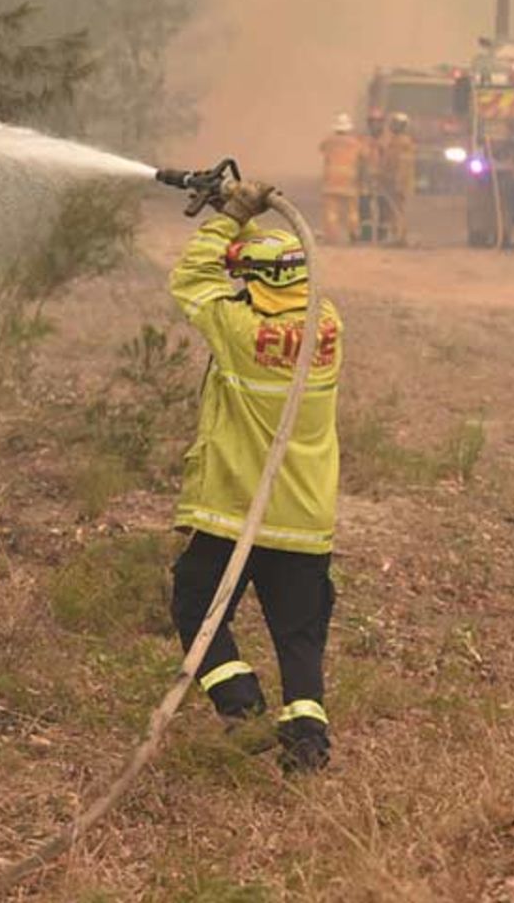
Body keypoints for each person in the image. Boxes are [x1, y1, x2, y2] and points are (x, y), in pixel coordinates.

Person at [168, 179, 345, 774]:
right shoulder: (328, 327)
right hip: (305, 517)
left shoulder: (238, 332)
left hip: (240, 508)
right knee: (298, 634)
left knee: (196, 600)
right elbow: (273, 278)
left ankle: (240, 708)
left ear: (256, 284)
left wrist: (228, 220)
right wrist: (247, 226)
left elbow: (191, 278)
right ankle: (308, 746)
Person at [318, 114, 363, 245]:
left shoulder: (328, 141)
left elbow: (322, 150)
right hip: (349, 183)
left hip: (331, 183)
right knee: (352, 212)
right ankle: (354, 234)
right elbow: (364, 157)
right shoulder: (356, 143)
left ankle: (332, 238)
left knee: (331, 213)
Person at [377, 112, 417, 245]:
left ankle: (399, 237)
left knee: (397, 211)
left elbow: (402, 166)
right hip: (393, 182)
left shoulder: (402, 143)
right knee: (395, 210)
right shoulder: (397, 142)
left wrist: (398, 183)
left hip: (398, 183)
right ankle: (398, 235)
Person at [357, 110, 386, 242]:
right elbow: (358, 158)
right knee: (364, 209)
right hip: (365, 181)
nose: (375, 125)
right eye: (373, 122)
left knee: (384, 210)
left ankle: (383, 237)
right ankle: (366, 236)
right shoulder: (362, 140)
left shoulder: (388, 140)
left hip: (382, 181)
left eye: (378, 122)